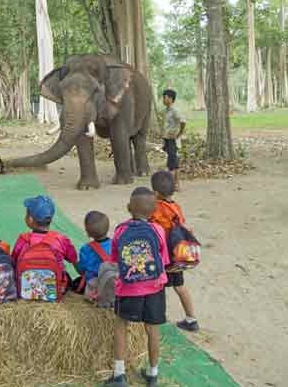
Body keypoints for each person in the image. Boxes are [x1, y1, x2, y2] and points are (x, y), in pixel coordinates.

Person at [105, 187, 169, 387]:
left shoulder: (120, 230)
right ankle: (152, 374)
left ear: (128, 208)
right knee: (152, 330)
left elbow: (116, 261)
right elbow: (163, 260)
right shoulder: (157, 230)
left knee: (121, 326)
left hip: (128, 289)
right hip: (155, 288)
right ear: (154, 211)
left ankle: (119, 374)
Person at [150, 171, 199, 332]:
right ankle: (191, 318)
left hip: (163, 255)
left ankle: (159, 317)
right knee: (179, 285)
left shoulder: (157, 208)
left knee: (158, 286)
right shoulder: (176, 207)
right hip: (177, 255)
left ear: (156, 193)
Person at [12, 195, 78, 293]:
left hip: (26, 290)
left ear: (30, 219)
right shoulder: (60, 239)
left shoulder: (23, 239)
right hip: (55, 290)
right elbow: (74, 259)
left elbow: (13, 262)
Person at [76, 210, 112, 284]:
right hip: (111, 284)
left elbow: (81, 270)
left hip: (92, 287)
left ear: (88, 233)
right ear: (108, 229)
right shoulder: (115, 245)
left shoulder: (86, 249)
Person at [162, 89, 186, 191]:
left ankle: (174, 185)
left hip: (173, 140)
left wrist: (179, 134)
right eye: (163, 97)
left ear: (171, 99)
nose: (163, 99)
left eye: (165, 97)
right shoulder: (167, 111)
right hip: (167, 139)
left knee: (173, 164)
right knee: (172, 163)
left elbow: (183, 122)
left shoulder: (175, 111)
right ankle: (176, 185)